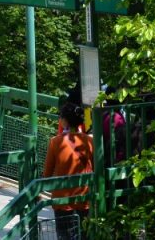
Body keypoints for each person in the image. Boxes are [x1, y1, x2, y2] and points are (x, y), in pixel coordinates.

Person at [43, 101, 94, 240]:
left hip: (62, 199)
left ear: (64, 120)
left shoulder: (55, 142)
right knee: (85, 235)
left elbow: (47, 173)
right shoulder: (89, 141)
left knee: (66, 236)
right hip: (84, 196)